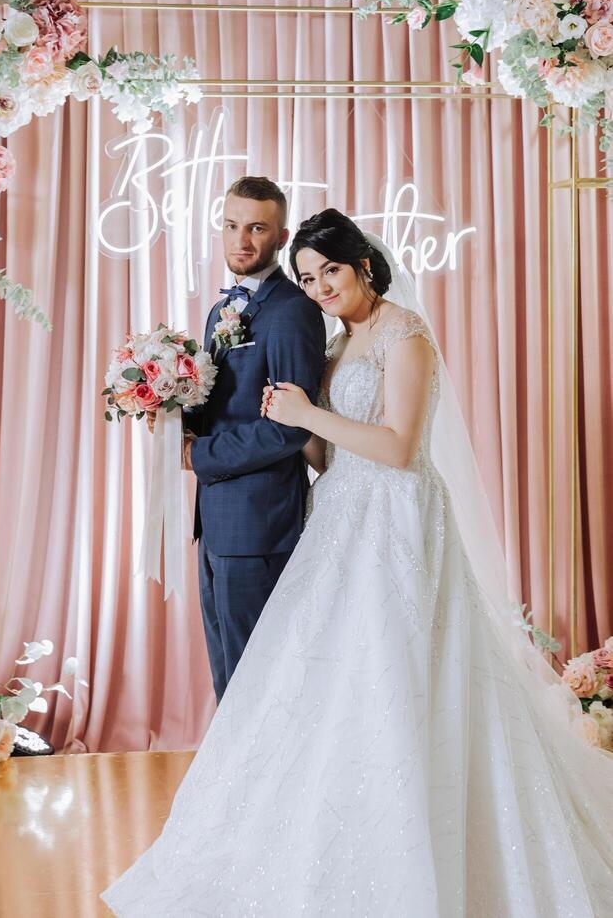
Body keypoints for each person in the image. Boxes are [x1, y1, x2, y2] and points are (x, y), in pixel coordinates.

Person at [102, 209, 613, 916]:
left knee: (404, 672)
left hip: (399, 521)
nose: (318, 289)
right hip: (341, 519)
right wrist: (286, 421)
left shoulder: (405, 336)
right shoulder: (342, 346)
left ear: (363, 265)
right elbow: (331, 454)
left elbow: (400, 448)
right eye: (307, 279)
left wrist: (308, 416)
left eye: (329, 272)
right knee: (326, 682)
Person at [183, 176, 326, 704]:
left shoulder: (292, 311)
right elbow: (222, 402)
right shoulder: (224, 308)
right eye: (231, 225)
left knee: (254, 679)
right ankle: (231, 787)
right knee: (227, 673)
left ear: (282, 237)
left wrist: (198, 454)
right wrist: (164, 410)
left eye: (257, 228)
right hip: (218, 521)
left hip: (260, 523)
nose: (241, 240)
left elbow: (291, 425)